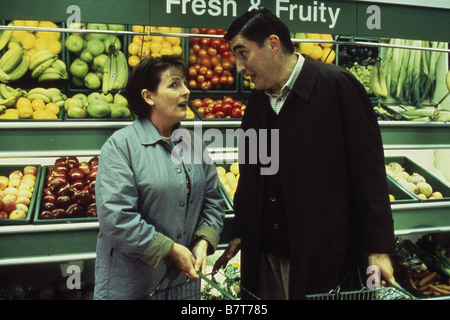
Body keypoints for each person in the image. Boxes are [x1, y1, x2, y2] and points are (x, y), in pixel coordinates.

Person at [213, 8, 396, 300]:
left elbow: (370, 175)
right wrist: (241, 231)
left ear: (273, 45)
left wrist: (378, 248)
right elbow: (251, 173)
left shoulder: (339, 87)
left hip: (321, 255)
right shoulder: (258, 101)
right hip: (264, 256)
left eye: (243, 53)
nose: (238, 66)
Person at [94, 55, 225, 300]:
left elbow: (213, 201)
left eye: (185, 83)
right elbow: (116, 217)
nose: (186, 91)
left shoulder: (194, 145)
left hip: (183, 285)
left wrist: (204, 241)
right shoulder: (121, 147)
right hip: (134, 286)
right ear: (149, 96)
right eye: (174, 85)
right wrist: (168, 249)